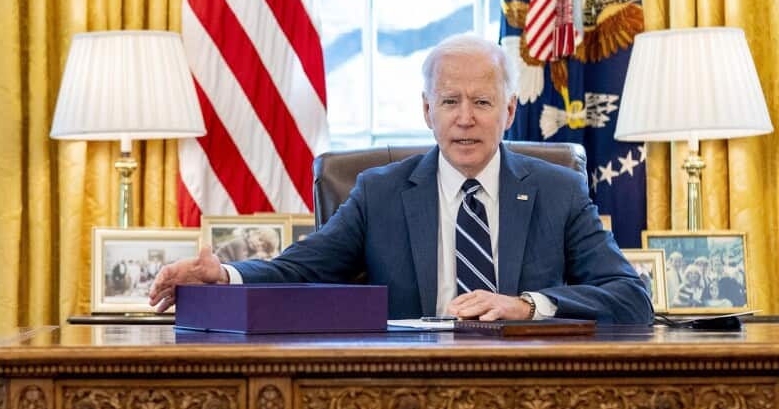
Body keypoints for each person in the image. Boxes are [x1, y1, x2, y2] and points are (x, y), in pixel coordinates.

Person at [150, 34, 652, 325]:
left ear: (509, 111)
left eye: (482, 102)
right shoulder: (380, 192)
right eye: (450, 101)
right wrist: (224, 277)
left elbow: (631, 298)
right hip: (407, 390)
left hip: (526, 391)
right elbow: (297, 270)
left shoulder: (558, 189)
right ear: (427, 110)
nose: (465, 118)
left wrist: (527, 306)